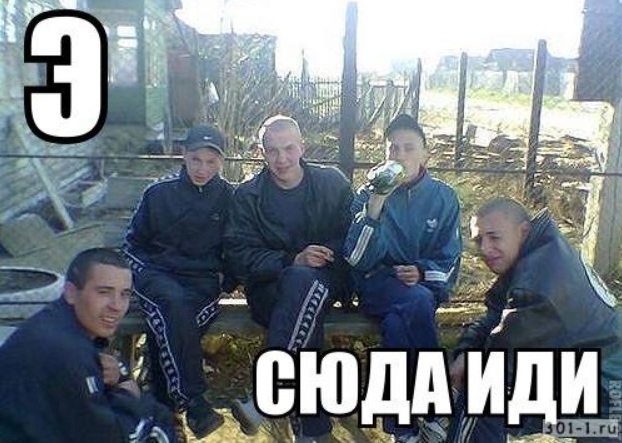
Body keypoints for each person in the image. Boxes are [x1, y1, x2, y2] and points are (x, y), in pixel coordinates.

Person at [447, 197, 622, 443]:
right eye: (479, 240)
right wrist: (466, 351)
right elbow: (494, 315)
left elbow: (496, 363)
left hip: (607, 418)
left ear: (523, 231)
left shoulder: (537, 284)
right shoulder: (539, 252)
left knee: (481, 391)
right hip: (597, 389)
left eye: (494, 237)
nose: (485, 248)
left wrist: (464, 365)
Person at [225, 114, 354, 442]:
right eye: (272, 150)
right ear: (261, 152)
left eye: (288, 148)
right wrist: (291, 260)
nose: (281, 158)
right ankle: (309, 429)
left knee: (304, 288)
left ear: (302, 147)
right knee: (301, 301)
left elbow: (352, 237)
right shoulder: (248, 196)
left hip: (327, 280)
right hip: (269, 290)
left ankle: (268, 398)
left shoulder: (332, 183)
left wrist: (325, 254)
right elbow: (239, 255)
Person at [344, 113, 462, 443]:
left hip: (423, 288)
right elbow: (356, 258)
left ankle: (403, 431)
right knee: (416, 300)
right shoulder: (368, 193)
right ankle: (433, 408)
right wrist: (376, 205)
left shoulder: (444, 197)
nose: (400, 156)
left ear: (425, 154)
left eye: (409, 148)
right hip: (377, 287)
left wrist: (422, 271)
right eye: (393, 149)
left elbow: (451, 259)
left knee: (399, 324)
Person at [124, 124, 235, 440]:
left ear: (221, 162)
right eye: (196, 159)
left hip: (201, 283)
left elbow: (238, 246)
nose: (202, 168)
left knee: (168, 325)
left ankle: (165, 416)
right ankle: (194, 400)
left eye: (211, 162)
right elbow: (133, 245)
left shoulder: (230, 197)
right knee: (171, 305)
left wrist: (227, 278)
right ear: (183, 155)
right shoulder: (157, 194)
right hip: (157, 278)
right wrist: (143, 273)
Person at [0, 248, 175, 443]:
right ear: (71, 293)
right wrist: (127, 393)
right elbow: (112, 438)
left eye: (124, 294)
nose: (116, 306)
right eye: (104, 292)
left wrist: (121, 377)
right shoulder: (67, 351)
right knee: (158, 425)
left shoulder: (58, 322)